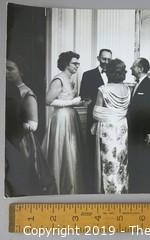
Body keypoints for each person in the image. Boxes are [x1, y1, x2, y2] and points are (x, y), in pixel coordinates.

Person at [5, 59, 56, 196]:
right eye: (4, 68)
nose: (6, 72)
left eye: (10, 69)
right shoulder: (6, 90)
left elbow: (33, 125)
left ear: (20, 71)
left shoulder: (27, 93)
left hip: (21, 141)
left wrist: (10, 124)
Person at [42, 51, 85, 194]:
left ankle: (71, 186)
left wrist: (78, 102)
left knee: (71, 152)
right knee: (62, 151)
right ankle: (60, 186)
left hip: (71, 117)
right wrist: (72, 101)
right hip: (61, 119)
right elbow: (48, 101)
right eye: (74, 63)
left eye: (78, 63)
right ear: (66, 64)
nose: (77, 66)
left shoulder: (71, 79)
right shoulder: (59, 79)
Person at [92, 59, 131, 194]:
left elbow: (96, 113)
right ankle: (121, 188)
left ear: (109, 73)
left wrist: (109, 114)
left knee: (108, 159)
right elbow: (125, 110)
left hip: (108, 128)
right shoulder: (127, 89)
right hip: (121, 126)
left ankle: (109, 192)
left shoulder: (104, 89)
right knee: (121, 159)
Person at [79, 49, 112, 192]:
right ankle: (93, 184)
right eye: (104, 59)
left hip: (110, 119)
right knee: (92, 149)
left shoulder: (115, 74)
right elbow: (83, 96)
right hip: (94, 117)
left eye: (109, 60)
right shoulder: (88, 74)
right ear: (98, 58)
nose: (106, 62)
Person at [127, 57, 150, 193]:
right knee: (138, 159)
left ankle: (145, 191)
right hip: (136, 130)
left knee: (144, 160)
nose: (130, 68)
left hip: (144, 131)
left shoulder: (149, 85)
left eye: (133, 66)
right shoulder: (139, 84)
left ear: (140, 69)